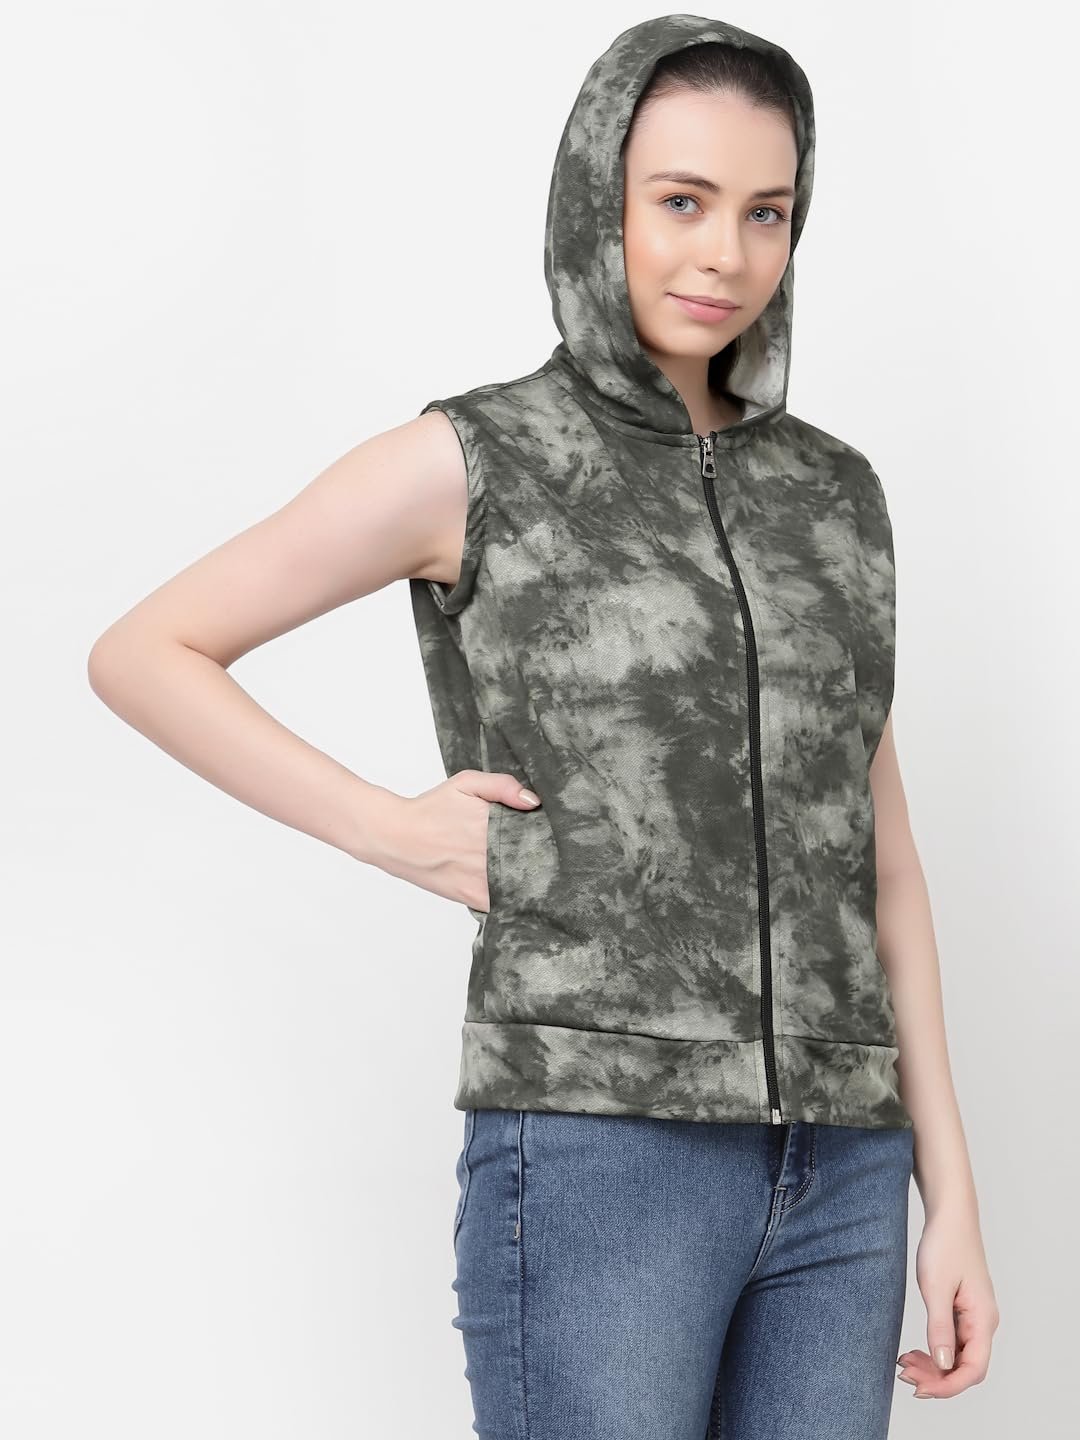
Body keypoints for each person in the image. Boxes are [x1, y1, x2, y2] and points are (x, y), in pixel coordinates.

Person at [88, 13, 998, 1439]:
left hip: (844, 1172)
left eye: (767, 212)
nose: (725, 254)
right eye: (681, 201)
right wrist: (389, 829)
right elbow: (147, 651)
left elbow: (881, 864)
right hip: (597, 1152)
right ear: (595, 204)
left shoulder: (835, 496)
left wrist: (953, 1196)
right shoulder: (481, 459)